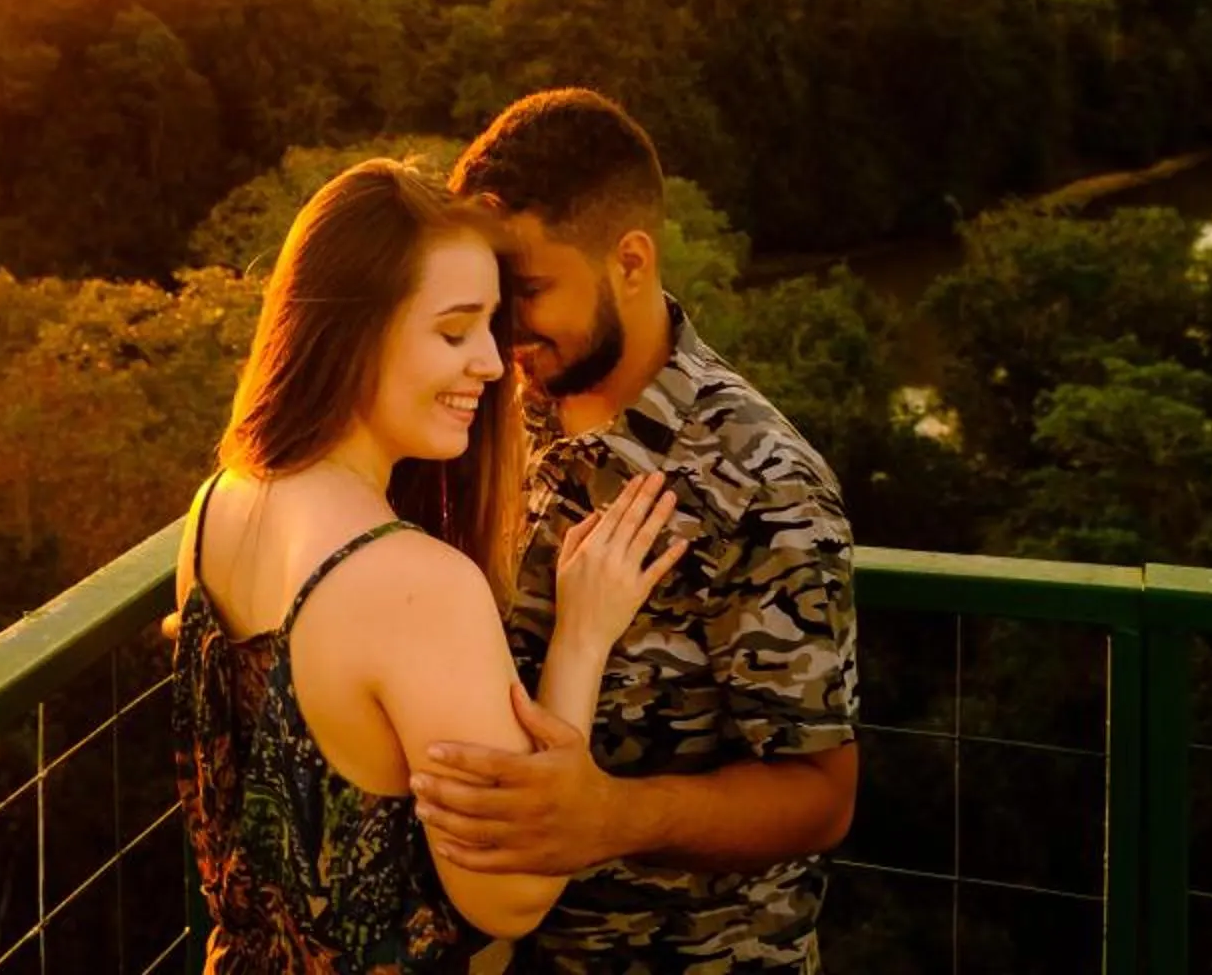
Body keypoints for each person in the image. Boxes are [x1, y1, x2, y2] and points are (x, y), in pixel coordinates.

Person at [171, 158, 692, 972]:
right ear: (351, 335)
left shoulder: (219, 503)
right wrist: (582, 641)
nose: (493, 363)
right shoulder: (412, 583)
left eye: (490, 327)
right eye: (454, 331)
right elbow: (510, 896)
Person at [413, 90, 861, 973]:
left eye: (528, 292)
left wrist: (613, 817)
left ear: (628, 259)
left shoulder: (760, 480)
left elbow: (820, 796)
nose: (503, 332)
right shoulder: (481, 413)